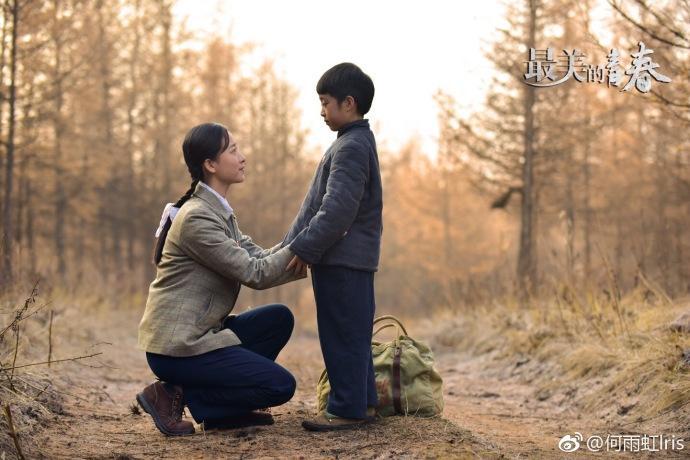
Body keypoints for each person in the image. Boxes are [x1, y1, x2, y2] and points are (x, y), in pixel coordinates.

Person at [137, 122, 305, 436]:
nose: (242, 157)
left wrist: (307, 241)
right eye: (233, 150)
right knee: (281, 385)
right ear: (210, 164)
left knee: (278, 319)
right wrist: (305, 247)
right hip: (178, 349)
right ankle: (179, 395)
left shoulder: (217, 211)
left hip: (202, 335)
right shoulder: (197, 218)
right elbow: (255, 272)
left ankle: (221, 412)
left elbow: (257, 255)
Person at [283, 63, 383, 431]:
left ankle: (346, 409)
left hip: (344, 260)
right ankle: (363, 403)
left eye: (326, 103)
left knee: (342, 334)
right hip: (347, 259)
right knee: (352, 334)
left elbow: (337, 210)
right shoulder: (350, 142)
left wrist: (305, 249)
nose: (322, 111)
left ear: (349, 103)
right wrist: (289, 245)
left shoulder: (352, 146)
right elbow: (315, 206)